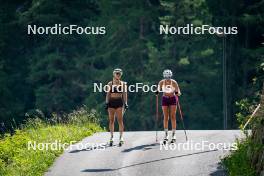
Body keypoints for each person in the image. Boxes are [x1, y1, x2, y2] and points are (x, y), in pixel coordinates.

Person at [156, 69, 181, 144]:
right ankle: (166, 134)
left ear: (171, 76)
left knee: (173, 116)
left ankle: (173, 134)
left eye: (169, 77)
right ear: (164, 76)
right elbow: (157, 89)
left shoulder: (173, 82)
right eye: (166, 77)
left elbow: (179, 92)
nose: (167, 79)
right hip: (165, 99)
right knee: (166, 117)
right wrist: (156, 92)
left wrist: (177, 93)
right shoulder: (161, 82)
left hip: (173, 99)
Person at [105, 68, 128, 146]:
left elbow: (124, 94)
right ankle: (111, 137)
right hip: (111, 102)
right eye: (117, 73)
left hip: (119, 102)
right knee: (111, 120)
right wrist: (107, 103)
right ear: (114, 74)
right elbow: (108, 94)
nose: (118, 75)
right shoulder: (110, 84)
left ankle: (121, 137)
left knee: (120, 120)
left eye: (119, 74)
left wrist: (126, 103)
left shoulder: (123, 84)